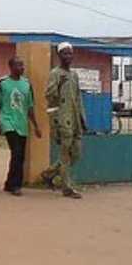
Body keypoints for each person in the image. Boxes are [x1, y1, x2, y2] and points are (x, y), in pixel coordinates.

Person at [41, 42, 87, 199]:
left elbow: (78, 97)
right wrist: (57, 86)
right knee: (65, 154)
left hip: (75, 119)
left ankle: (49, 173)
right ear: (59, 55)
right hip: (62, 118)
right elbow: (49, 96)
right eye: (65, 53)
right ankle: (67, 187)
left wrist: (82, 118)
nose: (68, 56)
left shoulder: (74, 75)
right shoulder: (55, 74)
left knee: (76, 153)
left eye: (70, 53)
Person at [0, 56, 39, 196]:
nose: (21, 68)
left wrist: (35, 126)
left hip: (22, 123)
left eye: (22, 65)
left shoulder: (27, 84)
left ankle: (9, 183)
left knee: (20, 156)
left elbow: (30, 107)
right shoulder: (3, 83)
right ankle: (15, 185)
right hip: (7, 121)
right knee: (16, 152)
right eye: (18, 65)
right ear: (11, 67)